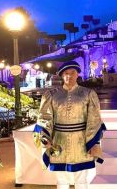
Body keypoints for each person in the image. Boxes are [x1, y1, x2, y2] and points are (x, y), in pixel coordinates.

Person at [33, 60, 106, 189]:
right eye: (66, 73)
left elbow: (94, 118)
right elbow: (45, 117)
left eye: (72, 73)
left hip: (82, 142)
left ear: (78, 74)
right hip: (58, 142)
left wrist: (92, 142)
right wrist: (45, 137)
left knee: (82, 179)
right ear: (61, 75)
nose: (69, 76)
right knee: (61, 179)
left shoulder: (88, 94)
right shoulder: (51, 95)